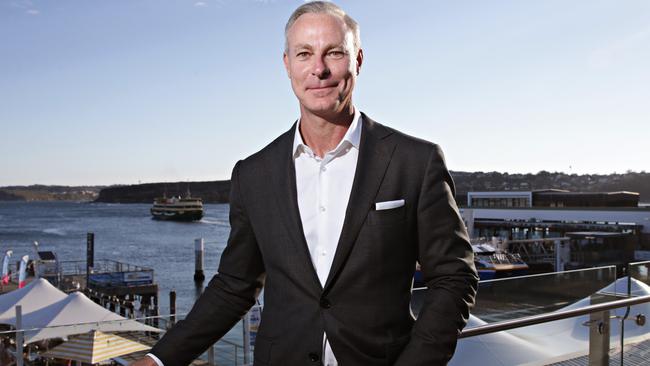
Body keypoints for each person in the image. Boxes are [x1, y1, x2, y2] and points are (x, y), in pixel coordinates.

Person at [132, 2, 477, 365]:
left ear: (357, 60)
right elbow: (235, 286)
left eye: (334, 52)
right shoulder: (253, 174)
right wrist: (159, 359)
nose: (319, 69)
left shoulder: (414, 162)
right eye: (304, 54)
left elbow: (454, 278)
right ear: (287, 65)